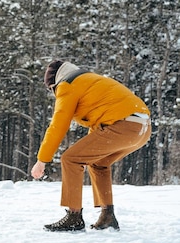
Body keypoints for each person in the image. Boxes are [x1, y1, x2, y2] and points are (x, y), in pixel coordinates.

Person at [31, 60, 151, 232]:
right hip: (142, 127)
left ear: (54, 84)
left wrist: (42, 160)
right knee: (98, 163)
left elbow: (58, 125)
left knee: (70, 159)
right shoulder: (89, 80)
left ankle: (74, 216)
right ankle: (107, 215)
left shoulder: (67, 85)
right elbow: (100, 122)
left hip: (124, 125)